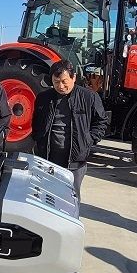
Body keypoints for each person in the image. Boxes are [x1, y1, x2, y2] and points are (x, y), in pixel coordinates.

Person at [31, 60, 108, 198]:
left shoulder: (89, 97)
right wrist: (38, 139)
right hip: (48, 157)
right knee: (47, 196)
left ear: (74, 78)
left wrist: (88, 140)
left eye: (64, 81)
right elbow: (36, 122)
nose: (60, 86)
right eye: (56, 82)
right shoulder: (44, 98)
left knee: (71, 197)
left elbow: (101, 122)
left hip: (75, 159)